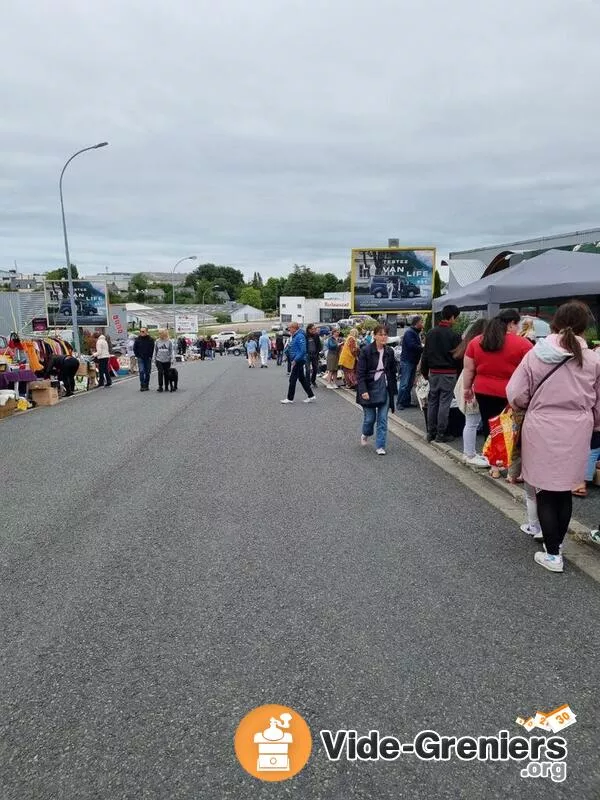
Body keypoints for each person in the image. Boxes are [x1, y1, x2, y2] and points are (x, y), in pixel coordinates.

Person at [507, 301, 600, 573]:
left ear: (555, 323)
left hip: (542, 424)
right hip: (577, 426)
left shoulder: (537, 353)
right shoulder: (593, 359)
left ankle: (553, 553)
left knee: (546, 489)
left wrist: (528, 406)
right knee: (565, 489)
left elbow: (515, 393)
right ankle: (557, 545)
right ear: (585, 327)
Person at [462, 309, 533, 438]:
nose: (518, 329)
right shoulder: (524, 344)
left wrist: (467, 388)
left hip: (482, 390)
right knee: (508, 431)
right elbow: (531, 371)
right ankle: (504, 456)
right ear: (511, 324)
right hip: (510, 393)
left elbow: (469, 369)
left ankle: (490, 454)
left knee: (489, 427)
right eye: (518, 325)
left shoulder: (477, 341)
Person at [420, 305, 462, 443]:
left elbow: (425, 355)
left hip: (433, 373)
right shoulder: (454, 336)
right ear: (452, 317)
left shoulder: (431, 333)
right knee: (444, 403)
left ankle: (430, 432)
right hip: (449, 374)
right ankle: (441, 433)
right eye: (455, 318)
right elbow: (459, 357)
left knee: (433, 402)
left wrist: (425, 373)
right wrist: (460, 374)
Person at [452, 318, 488, 467]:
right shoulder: (478, 345)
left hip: (464, 383)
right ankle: (469, 453)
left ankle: (469, 452)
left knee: (471, 421)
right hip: (471, 384)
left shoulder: (467, 344)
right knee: (472, 421)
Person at [356, 324, 397, 455]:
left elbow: (392, 371)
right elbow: (360, 373)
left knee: (383, 419)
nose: (383, 337)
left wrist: (393, 390)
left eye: (385, 334)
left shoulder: (390, 352)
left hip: (384, 388)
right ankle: (365, 433)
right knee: (370, 419)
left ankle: (380, 445)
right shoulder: (366, 351)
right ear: (374, 336)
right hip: (368, 387)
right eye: (380, 334)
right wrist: (363, 391)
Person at [281, 323, 316, 404]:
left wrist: (295, 360)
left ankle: (290, 398)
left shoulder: (300, 336)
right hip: (298, 359)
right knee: (302, 379)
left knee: (292, 379)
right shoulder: (296, 335)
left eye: (289, 328)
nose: (288, 330)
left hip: (299, 360)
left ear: (294, 328)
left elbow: (303, 350)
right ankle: (311, 395)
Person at [396, 315, 424, 409]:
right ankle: (399, 402)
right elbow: (412, 346)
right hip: (407, 361)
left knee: (409, 383)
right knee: (404, 383)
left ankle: (406, 402)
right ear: (417, 323)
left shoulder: (415, 333)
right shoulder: (410, 333)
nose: (423, 324)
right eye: (421, 322)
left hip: (412, 361)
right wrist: (423, 348)